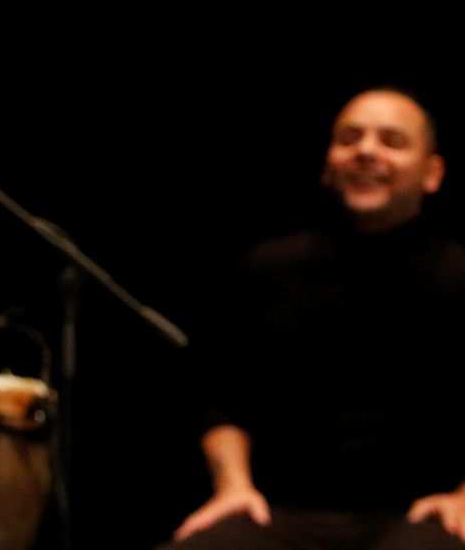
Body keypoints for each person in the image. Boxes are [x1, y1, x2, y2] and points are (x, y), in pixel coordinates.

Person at [167, 88, 465, 548]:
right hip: (279, 513)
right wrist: (233, 487)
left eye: (391, 140)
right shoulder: (268, 267)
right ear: (328, 165)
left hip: (416, 516)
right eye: (349, 138)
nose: (366, 151)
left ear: (432, 172)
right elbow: (221, 393)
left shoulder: (458, 275)